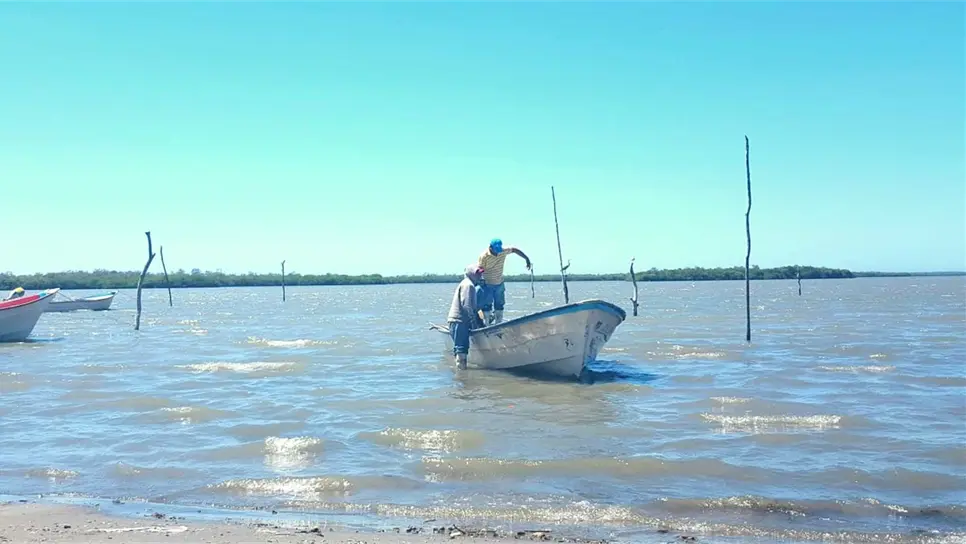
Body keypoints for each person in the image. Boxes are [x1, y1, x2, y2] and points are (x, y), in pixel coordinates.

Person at [476, 238, 531, 325]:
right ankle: (486, 324)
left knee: (499, 305)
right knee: (487, 306)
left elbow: (515, 250)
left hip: (499, 283)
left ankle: (499, 324)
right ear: (490, 247)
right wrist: (480, 281)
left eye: (499, 250)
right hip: (487, 284)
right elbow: (480, 269)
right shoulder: (484, 256)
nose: (497, 253)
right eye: (496, 250)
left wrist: (526, 258)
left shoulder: (503, 251)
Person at [447, 264, 486, 369]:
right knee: (461, 351)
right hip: (459, 321)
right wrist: (474, 324)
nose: (480, 276)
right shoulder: (468, 285)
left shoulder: (468, 284)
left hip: (459, 321)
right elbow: (467, 306)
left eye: (480, 273)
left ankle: (461, 376)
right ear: (470, 274)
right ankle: (461, 371)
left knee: (461, 349)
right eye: (477, 273)